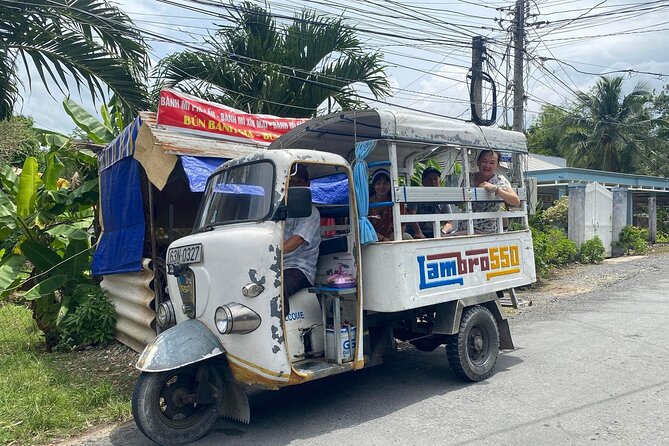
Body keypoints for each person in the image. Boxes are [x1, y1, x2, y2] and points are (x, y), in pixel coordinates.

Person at [283, 164, 321, 313]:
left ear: (307, 184)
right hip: (278, 265)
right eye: (291, 183)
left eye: (298, 183)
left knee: (277, 287)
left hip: (300, 268)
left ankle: (279, 330)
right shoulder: (282, 211)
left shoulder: (311, 213)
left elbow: (297, 241)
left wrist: (271, 252)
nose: (294, 187)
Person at [470, 150, 520, 233]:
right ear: (478, 162)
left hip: (486, 228)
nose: (487, 165)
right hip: (465, 225)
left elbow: (516, 200)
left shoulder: (499, 180)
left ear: (497, 165)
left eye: (492, 163)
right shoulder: (469, 177)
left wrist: (496, 189)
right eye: (484, 161)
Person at [408, 166, 455, 239]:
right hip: (415, 232)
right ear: (423, 182)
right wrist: (418, 232)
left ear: (440, 181)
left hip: (434, 232)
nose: (433, 182)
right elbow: (412, 214)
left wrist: (442, 232)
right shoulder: (416, 195)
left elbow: (449, 222)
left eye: (435, 179)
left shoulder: (443, 198)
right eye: (429, 179)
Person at [368, 169, 409, 241]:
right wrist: (383, 239)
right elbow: (367, 227)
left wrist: (395, 240)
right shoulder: (367, 204)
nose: (381, 186)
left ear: (390, 185)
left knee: (407, 237)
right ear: (374, 186)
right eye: (378, 183)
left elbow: (402, 225)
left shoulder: (397, 201)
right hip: (372, 237)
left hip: (392, 236)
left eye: (385, 183)